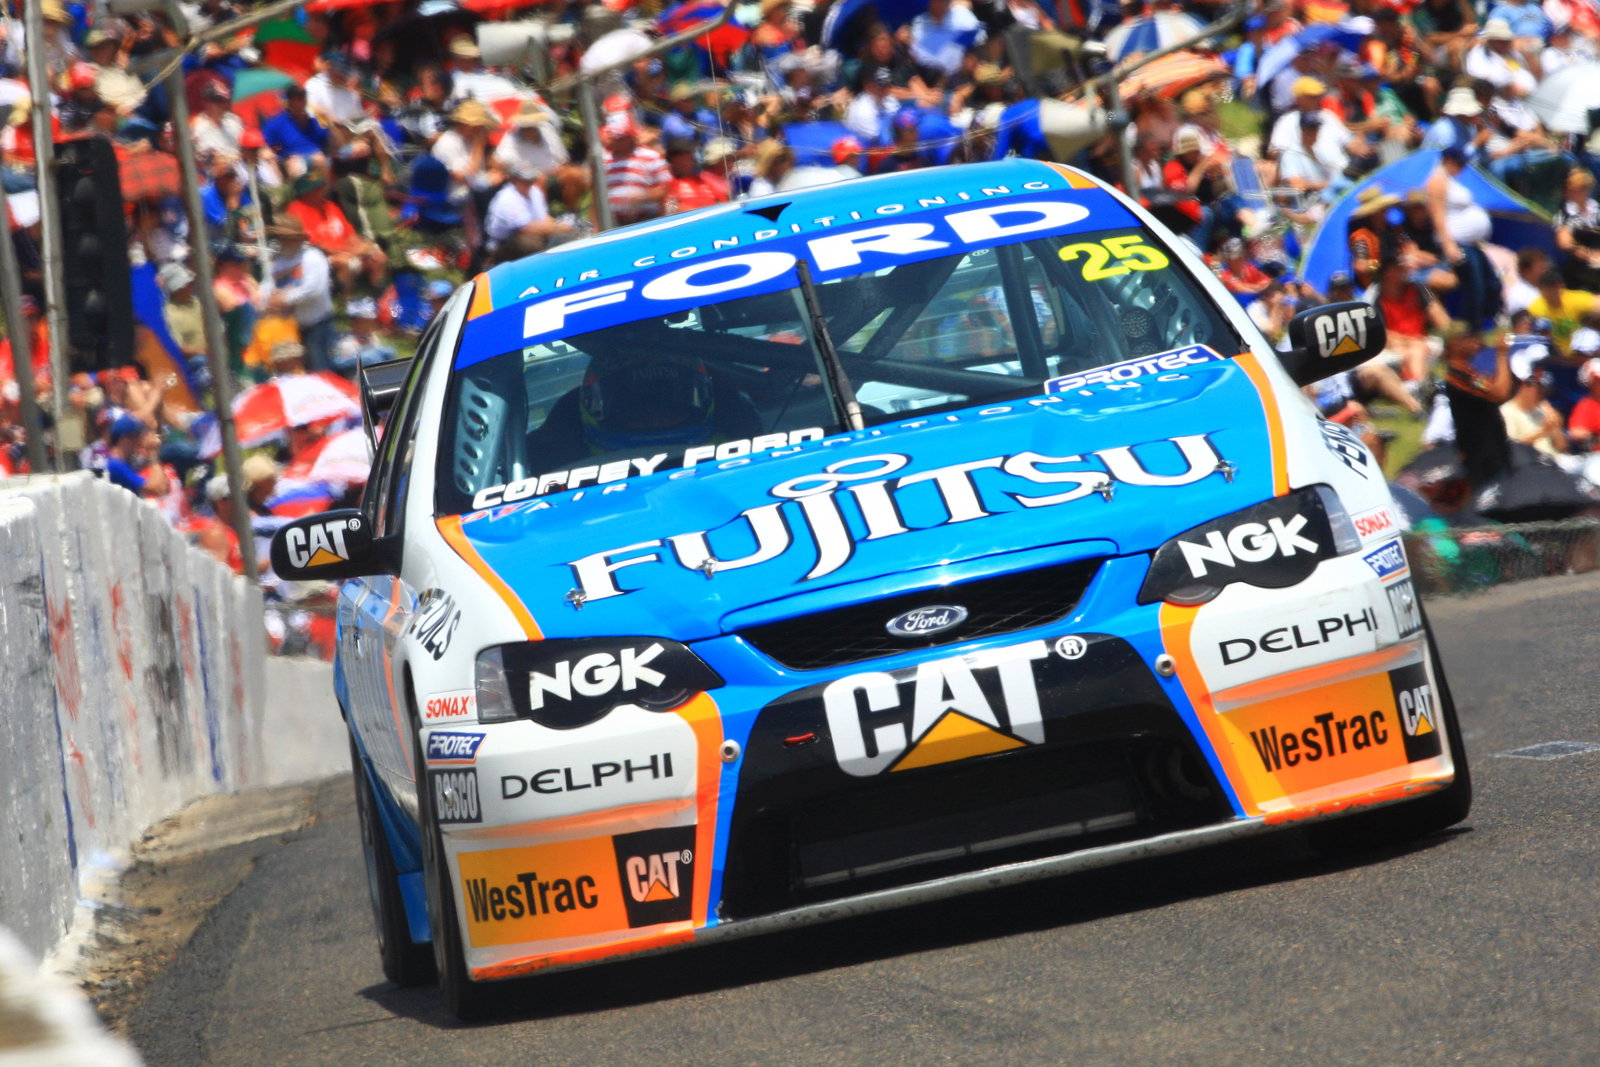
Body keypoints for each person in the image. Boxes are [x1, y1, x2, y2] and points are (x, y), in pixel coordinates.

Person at [1443, 324, 1515, 487]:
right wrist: (1502, 354)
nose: (1477, 340)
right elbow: (1500, 393)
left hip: (1493, 449)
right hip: (1480, 453)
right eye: (1470, 337)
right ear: (1454, 343)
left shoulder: (1471, 373)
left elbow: (1496, 386)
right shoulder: (1458, 375)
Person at [267, 218, 334, 373]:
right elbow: (267, 287)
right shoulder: (278, 262)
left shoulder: (312, 257)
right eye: (281, 238)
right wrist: (270, 299)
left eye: (287, 238)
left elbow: (313, 289)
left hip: (317, 325)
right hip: (289, 329)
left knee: (320, 371)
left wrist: (284, 298)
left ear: (297, 239)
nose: (283, 242)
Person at [484, 158, 569, 260]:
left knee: (564, 237)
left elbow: (544, 217)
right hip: (503, 244)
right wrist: (556, 228)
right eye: (525, 180)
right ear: (514, 180)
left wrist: (561, 226)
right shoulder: (507, 198)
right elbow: (525, 227)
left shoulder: (535, 192)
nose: (529, 183)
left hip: (529, 235)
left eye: (531, 179)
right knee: (532, 244)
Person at [602, 122, 668, 225]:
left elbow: (665, 189)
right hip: (614, 222)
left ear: (629, 138)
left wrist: (644, 196)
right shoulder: (604, 160)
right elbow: (596, 196)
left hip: (647, 219)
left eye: (620, 138)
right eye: (613, 137)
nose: (614, 141)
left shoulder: (651, 156)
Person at [1502, 369, 1573, 465]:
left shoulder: (1541, 411)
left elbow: (1562, 447)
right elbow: (1512, 450)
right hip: (1532, 465)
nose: (1542, 396)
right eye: (1539, 391)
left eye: (1544, 393)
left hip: (1556, 461)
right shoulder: (1507, 411)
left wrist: (1556, 427)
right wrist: (1542, 432)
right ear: (1525, 387)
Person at [1526, 267, 1598, 357]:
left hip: (1575, 351)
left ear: (1562, 286)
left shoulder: (1573, 299)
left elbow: (1596, 302)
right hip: (1550, 354)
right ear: (1541, 289)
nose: (1554, 290)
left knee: (1589, 335)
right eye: (1550, 287)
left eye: (1556, 285)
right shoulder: (1535, 308)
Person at [263, 86, 329, 178]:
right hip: (291, 160)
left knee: (320, 159)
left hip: (318, 160)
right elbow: (265, 146)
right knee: (296, 166)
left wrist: (329, 121)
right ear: (289, 102)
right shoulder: (277, 123)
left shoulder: (314, 121)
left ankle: (322, 189)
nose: (299, 103)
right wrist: (273, 158)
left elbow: (329, 144)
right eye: (295, 100)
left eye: (302, 99)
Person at [103, 414, 169, 499]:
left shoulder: (127, 462)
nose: (139, 442)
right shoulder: (115, 466)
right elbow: (157, 489)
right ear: (125, 439)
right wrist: (152, 452)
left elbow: (164, 488)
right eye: (136, 437)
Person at [663, 138, 729, 214]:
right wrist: (700, 213)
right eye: (685, 156)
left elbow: (723, 202)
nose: (691, 158)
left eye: (690, 154)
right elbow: (669, 207)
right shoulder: (669, 183)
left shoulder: (703, 180)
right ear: (673, 159)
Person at [160, 262, 206, 362]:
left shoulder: (198, 304)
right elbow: (177, 349)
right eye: (186, 284)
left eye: (190, 283)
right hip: (193, 362)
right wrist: (201, 352)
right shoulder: (170, 314)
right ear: (176, 289)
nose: (191, 286)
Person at [1564, 338, 1600, 451]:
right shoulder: (1586, 405)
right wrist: (1595, 438)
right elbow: (1575, 432)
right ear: (1591, 384)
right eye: (1598, 382)